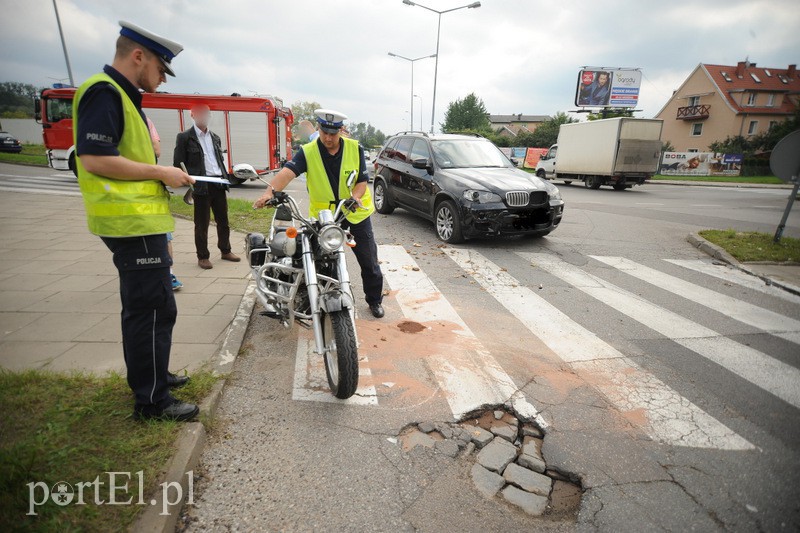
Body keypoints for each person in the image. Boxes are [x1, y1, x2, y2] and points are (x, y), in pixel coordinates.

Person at [73, 20, 197, 421]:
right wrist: (163, 173)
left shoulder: (123, 95)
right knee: (152, 311)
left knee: (155, 307)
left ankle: (155, 377)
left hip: (139, 223)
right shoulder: (105, 92)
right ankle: (152, 402)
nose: (162, 78)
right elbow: (93, 158)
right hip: (130, 224)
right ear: (138, 55)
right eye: (161, 69)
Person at [253, 109, 385, 318]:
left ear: (340, 131)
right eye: (324, 132)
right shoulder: (308, 151)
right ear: (319, 128)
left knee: (369, 260)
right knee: (321, 259)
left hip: (354, 211)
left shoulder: (355, 148)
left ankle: (374, 300)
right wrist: (270, 191)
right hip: (324, 215)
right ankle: (324, 299)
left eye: (333, 133)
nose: (328, 138)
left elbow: (361, 181)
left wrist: (357, 197)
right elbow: (288, 172)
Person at [173, 104, 240, 269]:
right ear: (193, 115)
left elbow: (219, 160)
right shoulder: (184, 137)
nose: (204, 116)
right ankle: (202, 256)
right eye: (201, 113)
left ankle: (225, 250)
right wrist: (188, 180)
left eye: (207, 113)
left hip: (218, 183)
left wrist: (225, 176)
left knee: (223, 220)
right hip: (201, 185)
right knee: (201, 223)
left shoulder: (215, 137)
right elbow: (178, 162)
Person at [147, 117, 182, 290]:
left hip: (151, 191)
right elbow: (155, 149)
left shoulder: (143, 118)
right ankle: (163, 274)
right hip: (135, 197)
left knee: (164, 235)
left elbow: (157, 150)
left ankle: (167, 273)